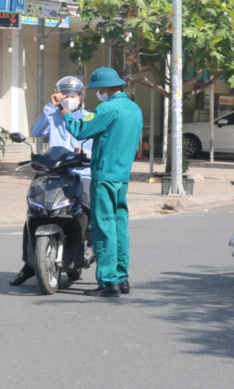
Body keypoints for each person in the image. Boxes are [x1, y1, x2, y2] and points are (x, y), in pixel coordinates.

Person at [61, 67, 143, 297]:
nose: (99, 93)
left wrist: (65, 113)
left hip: (104, 174)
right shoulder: (134, 109)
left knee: (103, 227)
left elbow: (80, 129)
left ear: (105, 89)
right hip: (122, 176)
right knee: (119, 227)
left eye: (99, 89)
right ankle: (122, 278)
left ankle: (108, 283)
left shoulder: (107, 108)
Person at [9, 76, 93, 287]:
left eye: (73, 95)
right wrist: (50, 106)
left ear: (80, 97)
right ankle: (29, 265)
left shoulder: (89, 117)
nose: (69, 98)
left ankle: (91, 246)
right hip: (54, 173)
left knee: (89, 208)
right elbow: (36, 131)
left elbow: (94, 144)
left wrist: (86, 152)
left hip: (81, 173)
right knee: (35, 212)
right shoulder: (53, 115)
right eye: (64, 94)